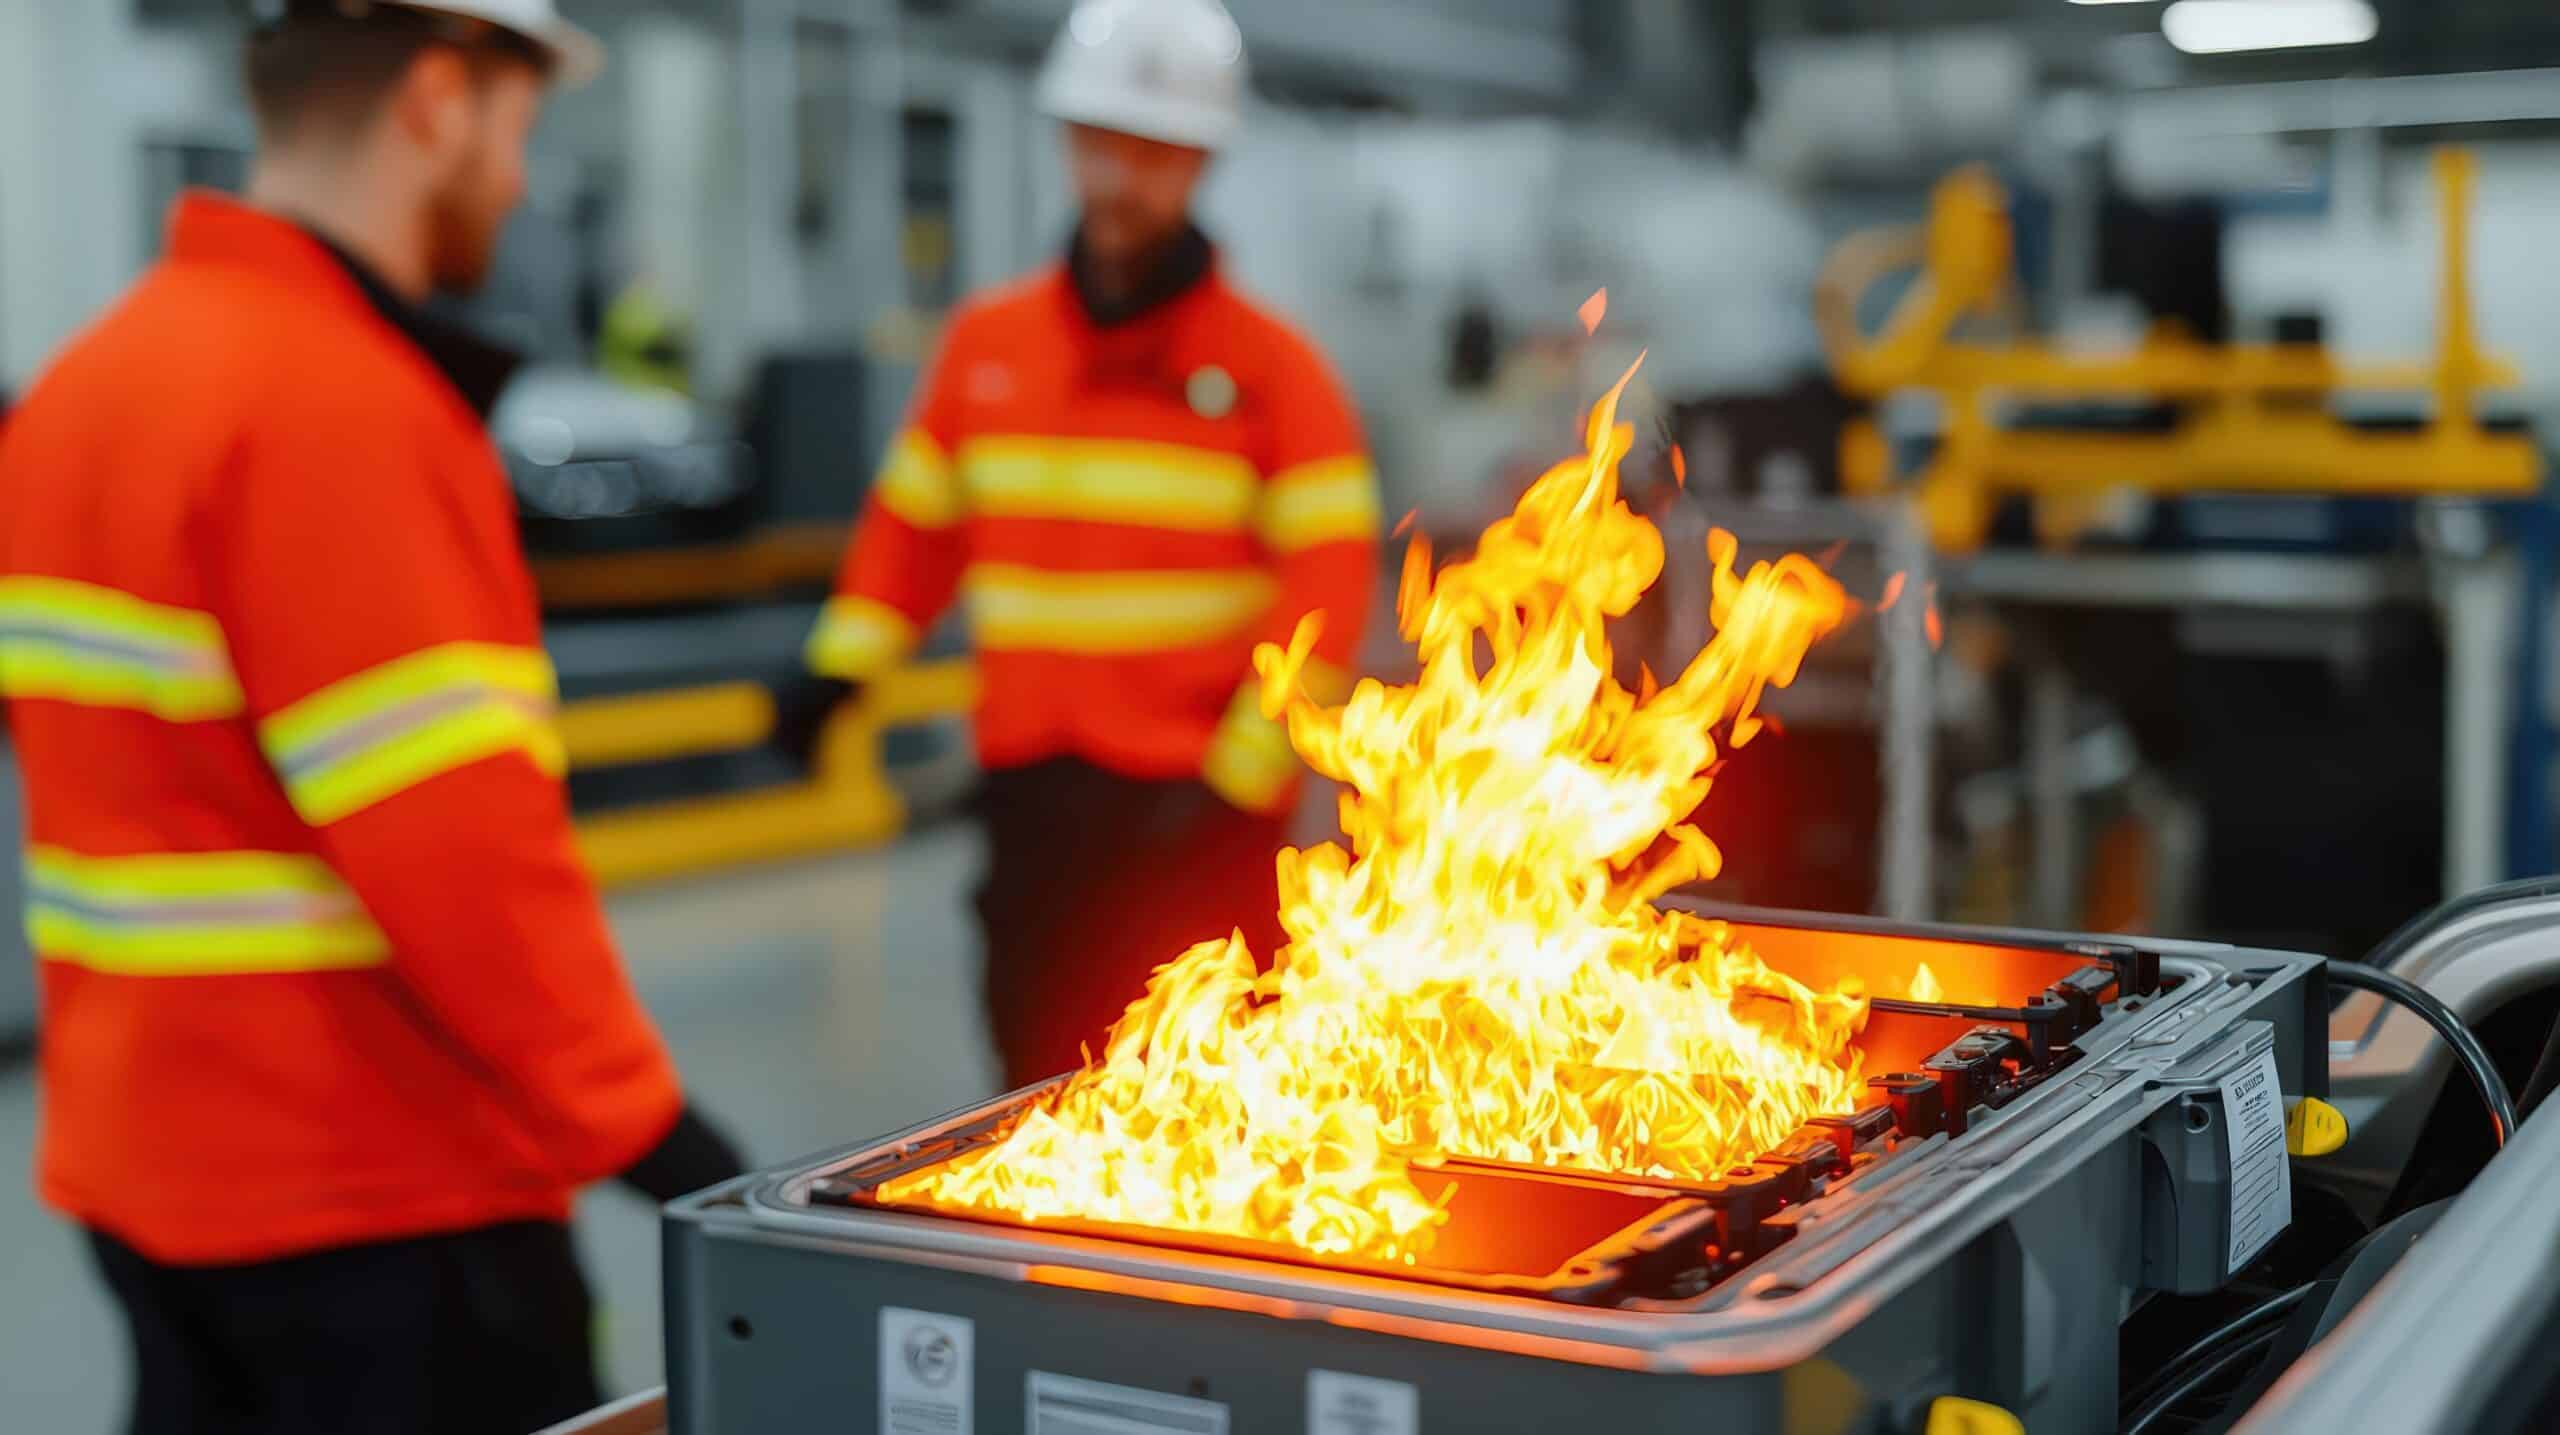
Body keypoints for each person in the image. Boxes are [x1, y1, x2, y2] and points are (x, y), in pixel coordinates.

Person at [0, 4, 741, 1431]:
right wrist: (669, 1143)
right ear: (438, 98)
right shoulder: (346, 409)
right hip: (381, 1199)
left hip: (147, 1178)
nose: (521, 182)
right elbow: (466, 865)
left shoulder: (79, 393)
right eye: (520, 131)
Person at [804, 0, 1383, 1090]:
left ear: (1202, 158)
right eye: (1101, 142)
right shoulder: (987, 347)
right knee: (1035, 1096)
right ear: (1067, 142)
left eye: (1156, 150)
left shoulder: (1276, 372)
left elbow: (1326, 585)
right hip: (1031, 803)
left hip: (1191, 813)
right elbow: (915, 530)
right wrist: (839, 668)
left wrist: (1239, 780)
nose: (1123, 177)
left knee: (1210, 1112)